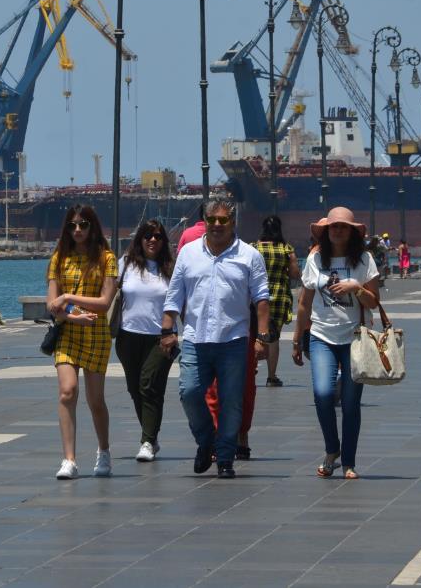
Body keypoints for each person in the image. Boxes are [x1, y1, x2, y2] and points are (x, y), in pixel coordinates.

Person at [162, 197, 270, 479]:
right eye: (213, 220)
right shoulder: (188, 254)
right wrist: (167, 329)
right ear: (205, 222)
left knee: (231, 401)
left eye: (224, 220)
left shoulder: (249, 256)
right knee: (189, 392)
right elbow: (175, 294)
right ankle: (206, 439)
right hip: (195, 339)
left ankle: (224, 458)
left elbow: (261, 300)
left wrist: (263, 337)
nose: (218, 225)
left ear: (233, 222)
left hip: (234, 339)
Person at [291, 208, 379, 479]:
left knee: (352, 404)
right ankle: (332, 449)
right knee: (323, 394)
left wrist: (356, 287)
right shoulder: (316, 259)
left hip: (355, 337)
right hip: (321, 336)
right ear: (326, 231)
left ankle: (349, 461)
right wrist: (297, 338)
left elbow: (374, 301)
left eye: (343, 227)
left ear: (352, 231)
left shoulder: (364, 260)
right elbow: (304, 303)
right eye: (333, 227)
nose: (338, 231)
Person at [45, 205, 118, 479]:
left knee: (95, 400)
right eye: (73, 225)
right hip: (68, 331)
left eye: (83, 225)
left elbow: (104, 302)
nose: (77, 230)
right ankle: (69, 459)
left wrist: (69, 298)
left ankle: (103, 450)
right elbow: (51, 303)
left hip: (96, 333)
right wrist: (71, 314)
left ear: (93, 227)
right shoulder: (58, 258)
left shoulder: (106, 258)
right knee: (67, 391)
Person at [115, 219, 175, 463]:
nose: (153, 240)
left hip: (160, 337)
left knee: (148, 385)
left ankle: (147, 441)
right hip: (127, 336)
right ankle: (151, 435)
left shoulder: (170, 268)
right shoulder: (126, 264)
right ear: (139, 239)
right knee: (135, 389)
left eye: (158, 236)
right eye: (148, 236)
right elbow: (109, 290)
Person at [252, 215, 300, 387]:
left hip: (256, 296)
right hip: (279, 296)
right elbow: (295, 274)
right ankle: (272, 377)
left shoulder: (253, 248)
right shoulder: (286, 249)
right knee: (273, 338)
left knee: (254, 335)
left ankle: (251, 371)